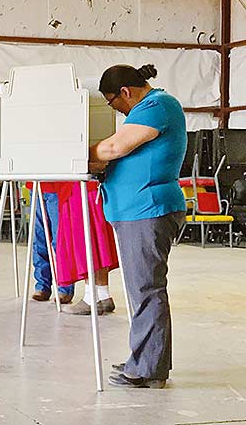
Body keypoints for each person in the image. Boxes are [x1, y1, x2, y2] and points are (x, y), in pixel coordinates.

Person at [90, 64, 187, 389]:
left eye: (112, 102)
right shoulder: (148, 109)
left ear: (126, 93)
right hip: (138, 210)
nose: (114, 110)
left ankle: (148, 370)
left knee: (146, 290)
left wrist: (80, 151)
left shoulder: (157, 106)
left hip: (149, 208)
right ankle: (145, 360)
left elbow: (115, 147)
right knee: (142, 290)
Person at [53, 181, 119, 315]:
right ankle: (103, 294)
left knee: (85, 241)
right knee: (99, 239)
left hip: (77, 186)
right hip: (97, 186)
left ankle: (91, 298)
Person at [26, 182, 74, 304]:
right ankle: (42, 286)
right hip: (35, 185)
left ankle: (65, 287)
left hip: (58, 186)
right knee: (38, 238)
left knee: (60, 240)